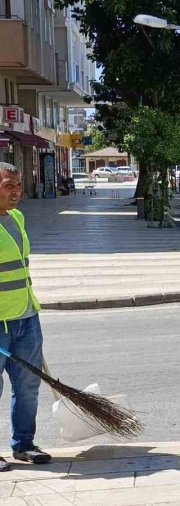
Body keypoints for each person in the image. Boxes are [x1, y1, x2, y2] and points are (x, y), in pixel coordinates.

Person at [0, 162, 52, 470]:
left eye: (18, 186)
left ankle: (24, 445)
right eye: (9, 185)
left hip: (26, 317)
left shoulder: (17, 218)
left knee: (29, 386)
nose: (16, 192)